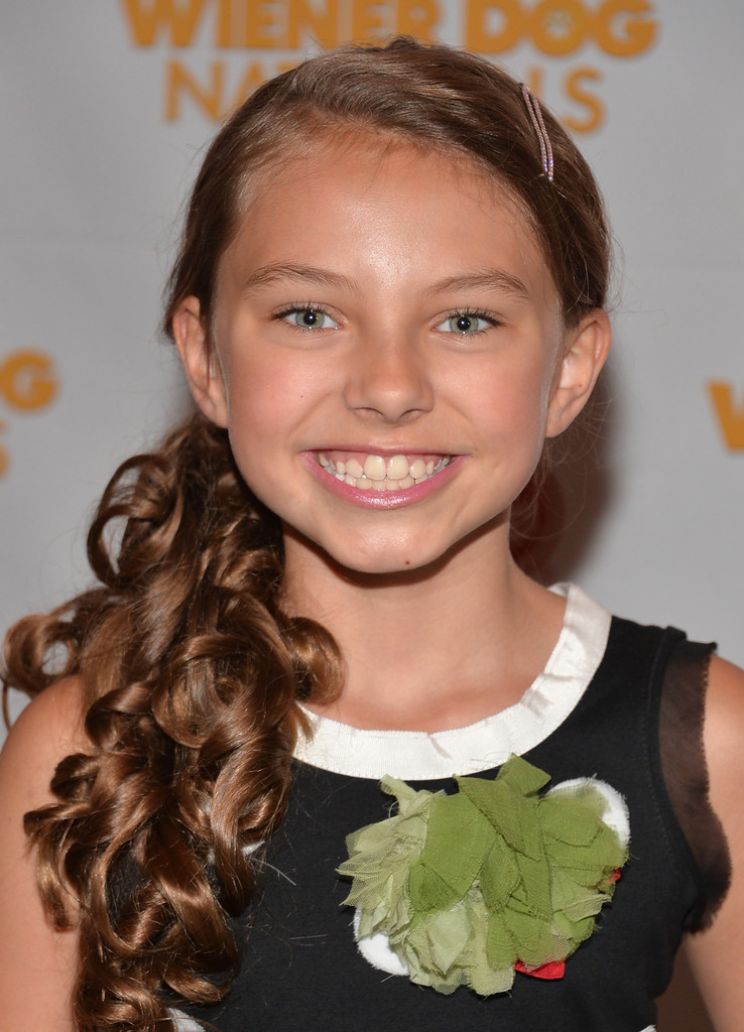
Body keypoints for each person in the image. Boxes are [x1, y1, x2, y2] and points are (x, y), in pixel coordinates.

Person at [0, 36, 742, 1032]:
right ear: (206, 358)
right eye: (310, 314)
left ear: (570, 369)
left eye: (466, 320)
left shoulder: (707, 742)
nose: (389, 388)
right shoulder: (90, 748)